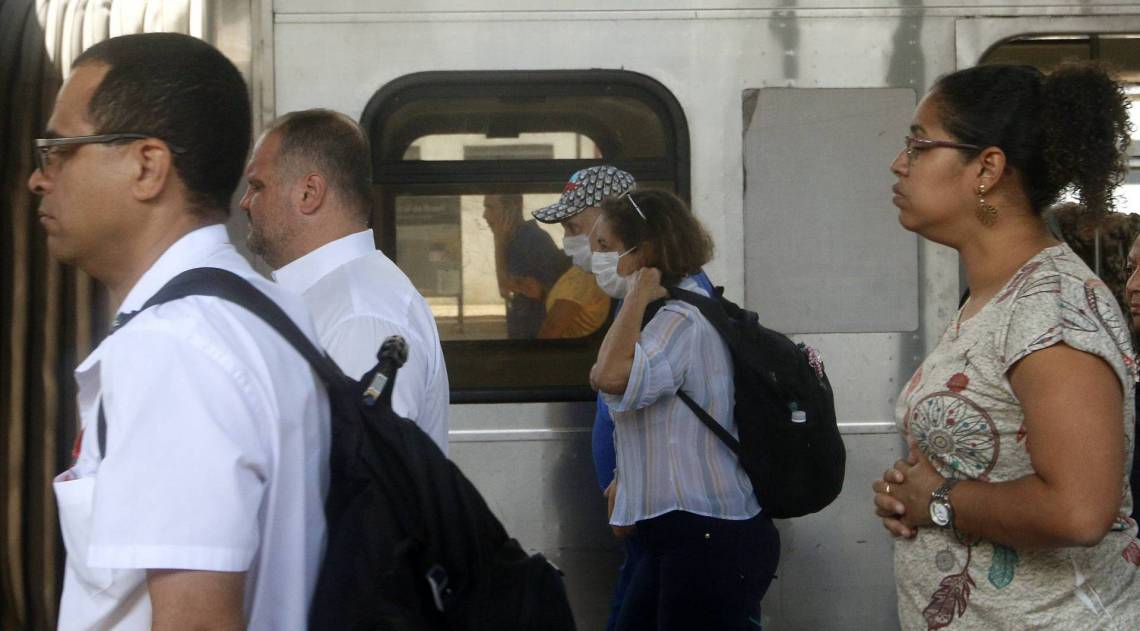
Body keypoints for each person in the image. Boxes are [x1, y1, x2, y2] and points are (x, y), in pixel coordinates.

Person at [30, 34, 330, 629]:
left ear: (147, 166)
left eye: (59, 149)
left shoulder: (173, 348)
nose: (39, 179)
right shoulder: (269, 313)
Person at [873, 62, 1139, 629]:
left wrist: (938, 501)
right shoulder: (994, 296)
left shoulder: (1052, 307)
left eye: (919, 145)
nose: (899, 163)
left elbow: (1078, 510)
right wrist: (912, 491)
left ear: (987, 168)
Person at [590, 189, 780, 631]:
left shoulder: (681, 318)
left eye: (606, 247)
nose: (595, 258)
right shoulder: (670, 312)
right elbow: (663, 423)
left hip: (707, 536)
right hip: (678, 533)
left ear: (646, 251)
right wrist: (626, 486)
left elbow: (609, 377)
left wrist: (636, 295)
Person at [240, 108, 449, 452]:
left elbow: (367, 489)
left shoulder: (361, 318)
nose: (246, 202)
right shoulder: (335, 299)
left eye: (257, 186)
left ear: (309, 193)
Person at [531, 166, 628, 338]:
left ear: (614, 224)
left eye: (573, 227)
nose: (567, 239)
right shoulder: (627, 292)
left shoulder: (667, 306)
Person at [483, 192, 569, 338]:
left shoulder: (533, 241)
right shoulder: (512, 241)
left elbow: (506, 288)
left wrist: (499, 242)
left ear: (512, 209)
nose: (485, 215)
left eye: (490, 208)